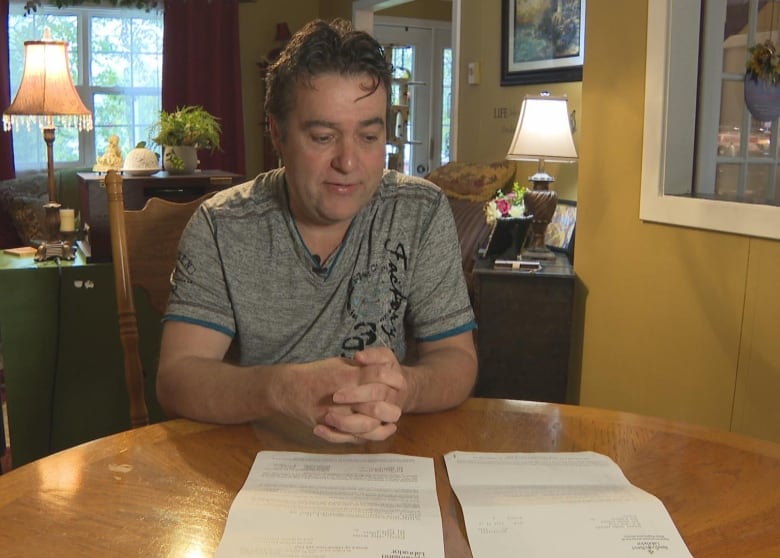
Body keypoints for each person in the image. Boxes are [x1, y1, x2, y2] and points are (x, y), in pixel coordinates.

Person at [156, 18, 477, 444]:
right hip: (252, 458)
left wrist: (404, 388)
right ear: (278, 134)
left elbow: (456, 358)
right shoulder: (221, 226)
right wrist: (282, 390)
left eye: (368, 136)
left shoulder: (420, 211)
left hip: (383, 461)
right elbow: (178, 378)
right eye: (324, 137)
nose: (348, 162)